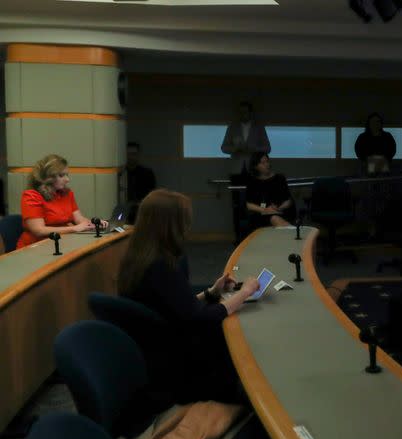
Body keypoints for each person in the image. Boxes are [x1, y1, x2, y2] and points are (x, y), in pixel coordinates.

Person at [118, 189, 260, 402]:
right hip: (180, 365)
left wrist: (212, 293)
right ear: (170, 225)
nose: (188, 226)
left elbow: (176, 307)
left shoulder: (139, 256)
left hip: (159, 351)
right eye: (184, 221)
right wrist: (245, 293)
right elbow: (199, 320)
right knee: (241, 338)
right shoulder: (162, 266)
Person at [17, 154, 108, 249]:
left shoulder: (67, 193)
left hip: (63, 242)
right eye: (61, 175)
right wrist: (74, 228)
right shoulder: (31, 196)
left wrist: (94, 224)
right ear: (48, 178)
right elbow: (39, 230)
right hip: (36, 247)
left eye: (67, 175)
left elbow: (79, 219)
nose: (67, 180)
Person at [244, 152, 294, 229]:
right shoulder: (252, 181)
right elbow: (249, 205)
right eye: (263, 163)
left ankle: (291, 232)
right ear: (255, 166)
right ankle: (292, 232)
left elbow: (288, 201)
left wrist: (279, 208)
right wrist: (265, 210)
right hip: (261, 214)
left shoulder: (280, 178)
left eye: (267, 161)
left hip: (280, 212)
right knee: (274, 218)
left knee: (275, 217)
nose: (266, 165)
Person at [221, 101, 271, 175]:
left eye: (245, 112)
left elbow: (267, 148)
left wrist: (254, 149)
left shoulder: (259, 127)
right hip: (236, 168)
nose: (242, 114)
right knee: (236, 186)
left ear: (250, 113)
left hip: (254, 168)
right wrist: (235, 149)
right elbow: (224, 148)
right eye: (240, 112)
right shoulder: (232, 127)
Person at [124, 142, 156, 223]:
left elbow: (152, 194)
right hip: (124, 212)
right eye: (129, 154)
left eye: (134, 154)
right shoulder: (121, 173)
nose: (131, 157)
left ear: (138, 155)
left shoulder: (147, 173)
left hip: (142, 211)